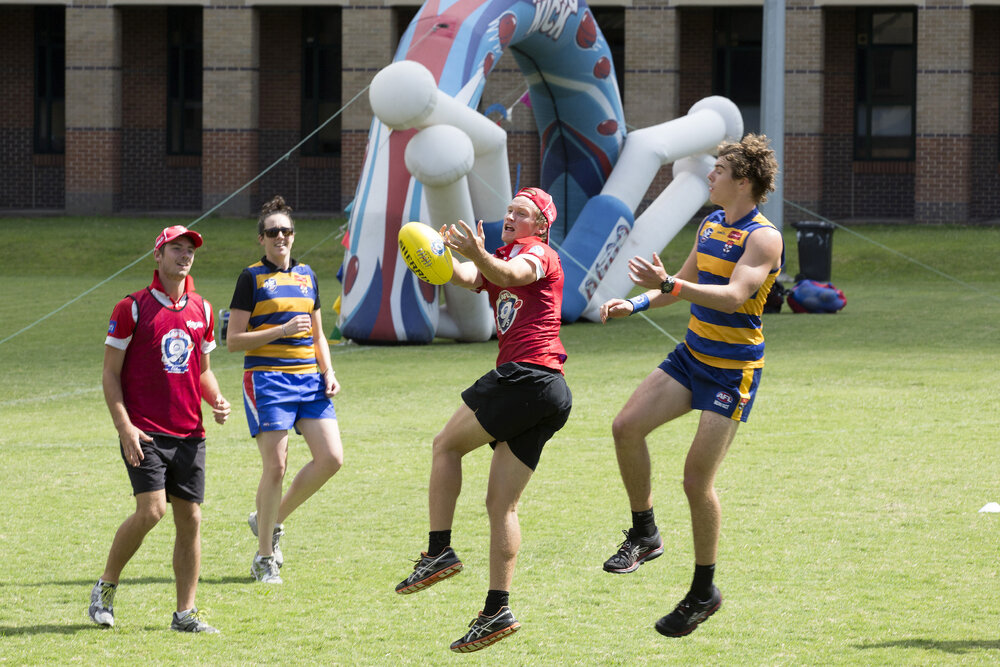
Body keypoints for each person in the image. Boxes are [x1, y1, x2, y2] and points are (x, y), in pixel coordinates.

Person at [599, 134, 783, 637]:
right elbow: (675, 286)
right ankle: (645, 534)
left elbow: (734, 295)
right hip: (691, 357)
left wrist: (670, 286)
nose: (710, 176)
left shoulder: (762, 238)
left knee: (695, 481)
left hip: (732, 370)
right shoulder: (711, 224)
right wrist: (633, 303)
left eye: (719, 170)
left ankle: (703, 592)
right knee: (625, 427)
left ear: (743, 181)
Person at [395, 187, 573, 653]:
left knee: (445, 445)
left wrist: (482, 255)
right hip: (545, 391)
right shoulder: (503, 253)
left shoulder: (539, 255)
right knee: (502, 507)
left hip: (528, 377)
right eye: (509, 209)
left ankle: (437, 551)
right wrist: (432, 253)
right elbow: (469, 275)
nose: (511, 216)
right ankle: (498, 609)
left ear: (541, 225)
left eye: (522, 213)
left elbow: (510, 273)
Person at [90, 225, 231, 633]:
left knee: (190, 519)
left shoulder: (202, 309)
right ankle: (105, 587)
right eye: (176, 249)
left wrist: (216, 400)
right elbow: (109, 375)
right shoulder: (130, 308)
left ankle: (184, 614)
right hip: (145, 432)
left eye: (189, 251)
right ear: (158, 256)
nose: (184, 256)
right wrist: (125, 428)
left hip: (190, 433)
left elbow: (202, 371)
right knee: (152, 509)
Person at [226, 195, 344, 585]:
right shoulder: (251, 278)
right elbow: (233, 340)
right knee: (275, 466)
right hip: (267, 380)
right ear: (261, 238)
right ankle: (263, 558)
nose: (281, 236)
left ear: (294, 236)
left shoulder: (307, 276)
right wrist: (278, 330)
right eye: (273, 231)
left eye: (286, 231)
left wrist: (328, 370)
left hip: (309, 379)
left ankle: (269, 520)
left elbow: (318, 334)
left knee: (331, 459)